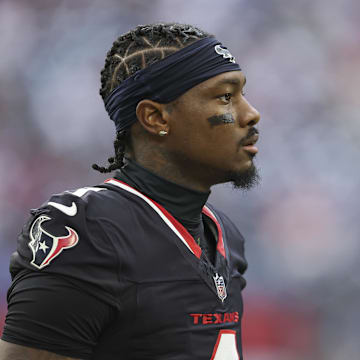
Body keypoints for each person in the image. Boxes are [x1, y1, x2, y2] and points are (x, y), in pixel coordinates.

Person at [0, 22, 260, 360]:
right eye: (226, 96)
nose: (251, 113)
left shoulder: (224, 233)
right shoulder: (88, 231)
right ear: (155, 118)